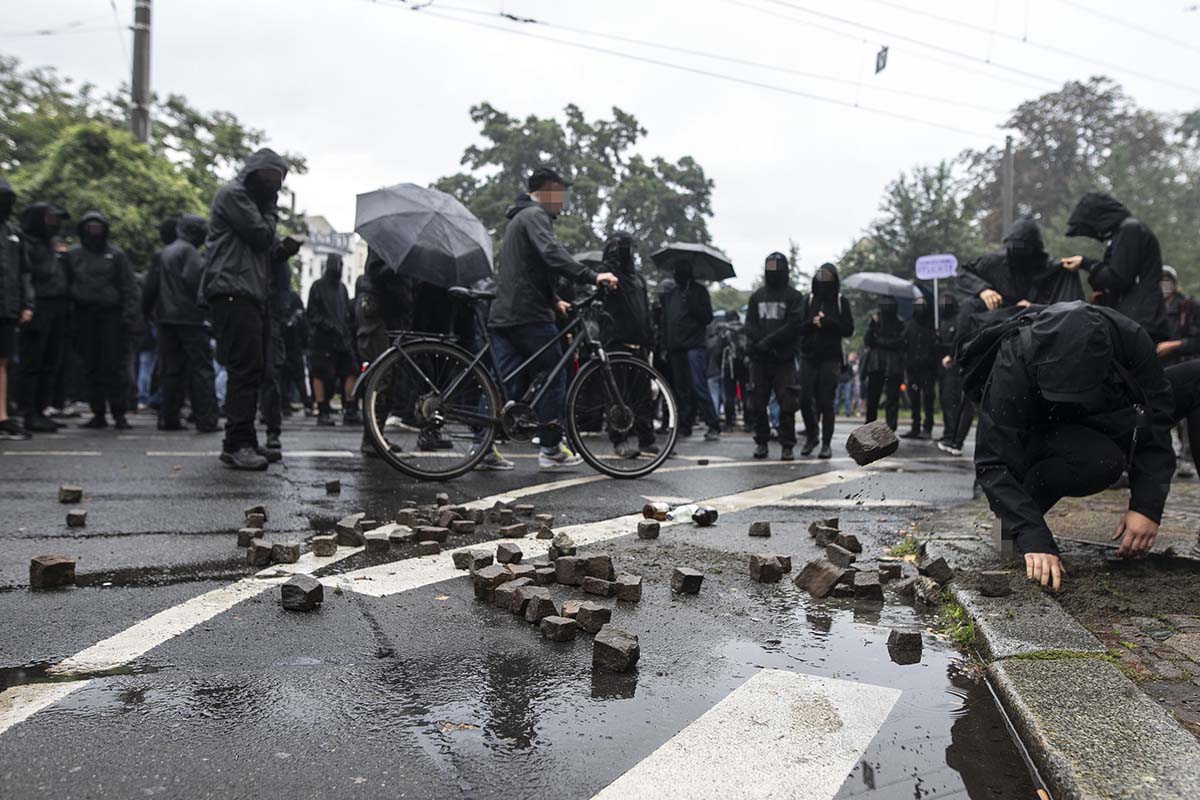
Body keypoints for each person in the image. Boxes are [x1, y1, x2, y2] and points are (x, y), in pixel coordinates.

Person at [963, 301, 1174, 592]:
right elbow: (992, 461)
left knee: (1104, 461)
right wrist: (1033, 535)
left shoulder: (1131, 341)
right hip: (1033, 428)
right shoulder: (1015, 357)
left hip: (1096, 418)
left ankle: (1020, 522)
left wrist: (1147, 506)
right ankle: (1016, 521)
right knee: (1018, 508)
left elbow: (1157, 422)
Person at [486, 166, 618, 470]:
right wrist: (592, 275)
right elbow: (550, 253)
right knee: (554, 375)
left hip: (507, 312)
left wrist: (554, 299)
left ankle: (482, 447)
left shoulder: (519, 219)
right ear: (547, 190)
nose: (562, 201)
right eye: (559, 193)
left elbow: (529, 270)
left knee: (500, 382)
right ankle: (550, 448)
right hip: (529, 315)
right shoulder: (535, 216)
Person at [200, 148, 300, 470]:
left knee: (253, 369)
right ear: (253, 174)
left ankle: (244, 438)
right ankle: (237, 443)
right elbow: (260, 235)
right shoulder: (233, 195)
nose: (272, 187)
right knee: (245, 369)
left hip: (248, 292)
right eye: (267, 179)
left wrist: (282, 251)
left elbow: (265, 249)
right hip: (232, 291)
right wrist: (271, 211)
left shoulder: (252, 204)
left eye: (277, 181)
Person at [142, 215, 219, 433]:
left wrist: (147, 312)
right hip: (189, 318)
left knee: (172, 369)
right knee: (201, 368)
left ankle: (169, 416)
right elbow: (194, 280)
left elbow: (151, 286)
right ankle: (206, 419)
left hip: (166, 318)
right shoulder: (189, 252)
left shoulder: (167, 251)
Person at [1062, 193, 1168, 341]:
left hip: (1140, 321)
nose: (1095, 234)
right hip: (1139, 319)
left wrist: (1085, 263)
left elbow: (1118, 278)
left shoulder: (1130, 229)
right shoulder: (1126, 230)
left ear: (1098, 216)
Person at [65, 211, 135, 430]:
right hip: (84, 317)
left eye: (98, 226)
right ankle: (98, 413)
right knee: (90, 366)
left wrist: (128, 317)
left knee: (115, 367)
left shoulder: (116, 255)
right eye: (90, 227)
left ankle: (119, 413)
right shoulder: (73, 255)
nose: (94, 231)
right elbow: (66, 286)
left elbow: (128, 287)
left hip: (111, 318)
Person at [598, 230, 658, 459]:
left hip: (639, 345)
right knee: (617, 397)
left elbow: (645, 310)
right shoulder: (607, 276)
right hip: (615, 344)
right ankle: (620, 440)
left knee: (642, 396)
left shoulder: (638, 279)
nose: (627, 252)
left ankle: (647, 439)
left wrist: (650, 336)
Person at [744, 252, 804, 460]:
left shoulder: (794, 297)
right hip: (760, 359)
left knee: (787, 403)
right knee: (757, 403)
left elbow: (794, 325)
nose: (774, 272)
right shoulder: (757, 296)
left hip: (783, 359)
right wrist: (760, 343)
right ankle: (762, 442)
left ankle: (787, 445)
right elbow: (749, 324)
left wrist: (768, 342)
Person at [17, 203, 69, 433]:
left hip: (56, 307)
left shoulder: (50, 245)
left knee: (50, 363)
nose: (54, 224)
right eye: (50, 219)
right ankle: (30, 413)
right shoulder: (25, 243)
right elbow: (25, 276)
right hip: (38, 306)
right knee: (33, 363)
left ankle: (41, 410)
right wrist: (28, 306)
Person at [798, 262, 854, 458]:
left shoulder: (841, 301)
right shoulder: (807, 300)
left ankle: (826, 443)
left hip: (830, 358)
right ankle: (812, 433)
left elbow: (848, 329)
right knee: (804, 398)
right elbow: (798, 327)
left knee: (825, 402)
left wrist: (828, 323)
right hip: (808, 356)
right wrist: (812, 323)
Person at [663, 258, 720, 443]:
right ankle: (684, 425)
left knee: (698, 386)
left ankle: (713, 424)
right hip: (676, 346)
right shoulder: (672, 294)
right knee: (681, 390)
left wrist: (692, 304)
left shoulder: (698, 292)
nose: (677, 274)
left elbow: (707, 317)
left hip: (694, 345)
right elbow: (667, 321)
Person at [0, 178, 33, 439]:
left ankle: (2, 416)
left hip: (7, 308)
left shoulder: (13, 233)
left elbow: (23, 272)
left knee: (3, 361)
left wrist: (27, 304)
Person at [306, 254, 356, 428]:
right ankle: (323, 409)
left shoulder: (341, 288)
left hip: (340, 337)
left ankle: (349, 407)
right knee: (322, 374)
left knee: (350, 370)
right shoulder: (318, 286)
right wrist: (328, 325)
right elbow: (312, 314)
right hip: (324, 338)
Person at [863, 296, 906, 430]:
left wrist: (879, 340)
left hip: (892, 364)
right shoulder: (876, 321)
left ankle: (891, 428)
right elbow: (868, 340)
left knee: (892, 399)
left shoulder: (900, 323)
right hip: (877, 363)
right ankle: (870, 427)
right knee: (873, 398)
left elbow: (899, 343)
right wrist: (873, 326)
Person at [936, 293, 971, 456]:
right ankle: (949, 435)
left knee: (954, 402)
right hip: (945, 365)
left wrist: (951, 353)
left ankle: (953, 438)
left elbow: (960, 339)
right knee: (946, 401)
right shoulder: (943, 321)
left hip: (956, 365)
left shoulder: (960, 319)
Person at [901, 295, 938, 440]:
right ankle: (915, 427)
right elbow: (903, 344)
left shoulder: (931, 326)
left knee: (928, 398)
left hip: (928, 369)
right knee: (914, 399)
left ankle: (927, 427)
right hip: (913, 369)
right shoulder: (909, 325)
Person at [834, 351, 858, 416]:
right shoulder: (837, 364)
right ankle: (836, 411)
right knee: (837, 397)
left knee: (847, 397)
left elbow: (852, 373)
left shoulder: (848, 364)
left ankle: (847, 412)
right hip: (839, 381)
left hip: (847, 382)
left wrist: (850, 379)